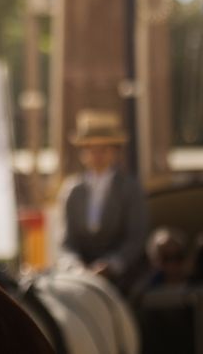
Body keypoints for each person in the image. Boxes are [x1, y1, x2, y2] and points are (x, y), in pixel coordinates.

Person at [57, 108, 148, 292]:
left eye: (104, 149)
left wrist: (112, 265)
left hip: (121, 277)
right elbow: (66, 242)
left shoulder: (130, 188)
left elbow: (135, 237)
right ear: (83, 153)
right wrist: (76, 267)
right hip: (79, 276)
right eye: (91, 149)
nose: (97, 155)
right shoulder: (72, 190)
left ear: (115, 152)